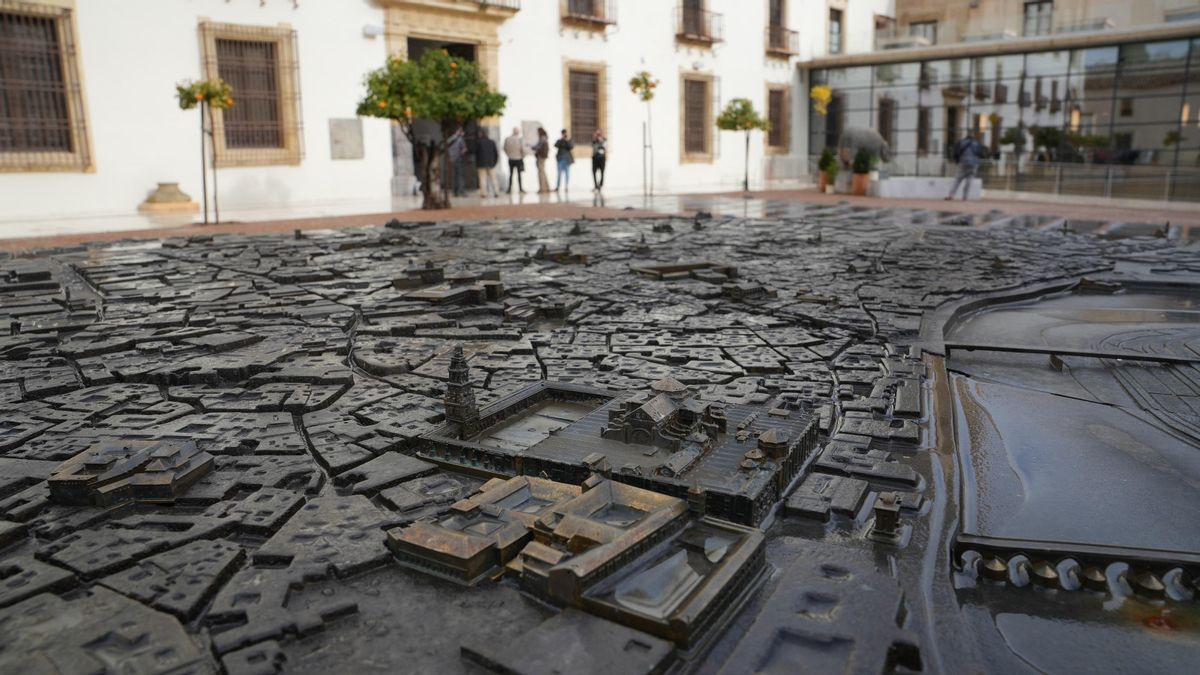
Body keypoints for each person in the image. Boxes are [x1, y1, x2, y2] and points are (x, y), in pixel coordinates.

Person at [946, 132, 986, 201]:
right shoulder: (977, 143)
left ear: (966, 137)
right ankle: (965, 197)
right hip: (973, 164)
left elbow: (956, 152)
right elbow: (981, 154)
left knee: (957, 179)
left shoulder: (961, 142)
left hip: (963, 163)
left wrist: (957, 161)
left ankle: (951, 195)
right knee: (969, 180)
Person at [474, 130, 500, 198]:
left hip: (481, 164)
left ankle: (484, 193)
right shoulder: (492, 142)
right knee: (494, 179)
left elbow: (475, 153)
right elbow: (496, 153)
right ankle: (496, 192)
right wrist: (494, 162)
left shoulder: (479, 142)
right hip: (491, 164)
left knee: (482, 179)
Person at [503, 127, 526, 194]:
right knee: (519, 175)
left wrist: (509, 155)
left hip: (511, 159)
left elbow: (504, 148)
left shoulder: (507, 139)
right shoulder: (519, 139)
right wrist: (522, 156)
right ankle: (520, 188)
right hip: (518, 159)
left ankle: (509, 188)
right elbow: (523, 150)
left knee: (511, 174)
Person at [447, 128, 467, 197]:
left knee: (454, 176)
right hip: (458, 159)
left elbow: (447, 144)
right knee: (460, 176)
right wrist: (461, 153)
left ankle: (455, 192)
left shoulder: (450, 139)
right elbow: (464, 149)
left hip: (452, 159)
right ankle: (462, 191)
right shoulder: (460, 139)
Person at [532, 127, 550, 193]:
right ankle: (547, 187)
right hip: (543, 157)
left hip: (541, 157)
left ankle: (542, 188)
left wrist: (532, 147)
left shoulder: (542, 139)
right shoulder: (544, 138)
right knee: (543, 172)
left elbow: (538, 147)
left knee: (541, 173)